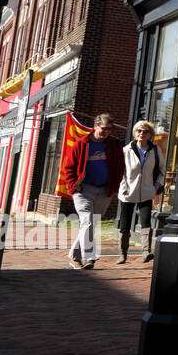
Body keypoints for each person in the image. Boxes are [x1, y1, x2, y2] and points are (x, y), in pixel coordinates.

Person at [59, 113, 125, 269]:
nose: (106, 132)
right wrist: (73, 186)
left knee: (89, 224)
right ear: (95, 126)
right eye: (103, 128)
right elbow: (69, 168)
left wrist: (115, 185)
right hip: (83, 189)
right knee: (87, 221)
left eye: (109, 129)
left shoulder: (114, 144)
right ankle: (89, 257)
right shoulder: (82, 143)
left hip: (104, 190)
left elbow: (120, 165)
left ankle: (74, 256)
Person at [115, 120, 164, 264]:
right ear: (135, 133)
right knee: (125, 223)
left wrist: (156, 185)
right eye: (139, 131)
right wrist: (123, 188)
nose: (142, 134)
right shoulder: (126, 150)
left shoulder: (155, 150)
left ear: (150, 134)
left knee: (146, 222)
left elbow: (161, 170)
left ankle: (146, 252)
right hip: (128, 191)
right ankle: (122, 254)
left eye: (145, 131)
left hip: (147, 191)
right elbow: (120, 172)